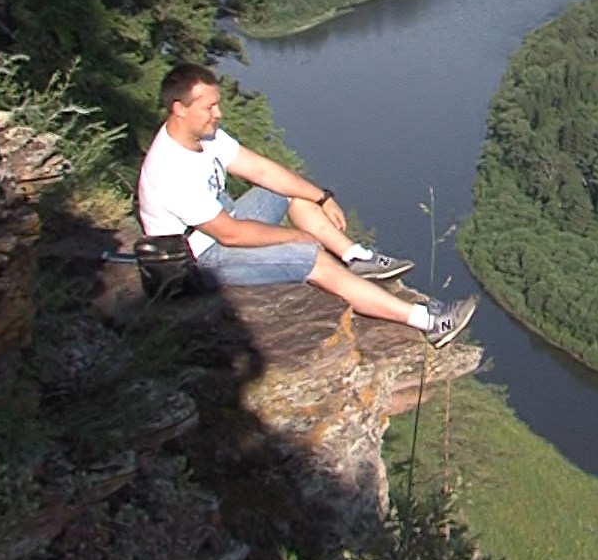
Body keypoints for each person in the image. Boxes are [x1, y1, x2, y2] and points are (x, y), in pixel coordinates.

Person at [136, 63, 478, 348]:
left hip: (222, 223)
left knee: (288, 190)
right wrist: (293, 238)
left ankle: (356, 257)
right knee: (313, 260)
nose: (218, 113)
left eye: (217, 104)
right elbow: (231, 235)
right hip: (201, 259)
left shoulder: (203, 137)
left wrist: (320, 196)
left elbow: (261, 170)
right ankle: (429, 322)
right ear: (179, 109)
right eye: (209, 107)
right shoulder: (171, 170)